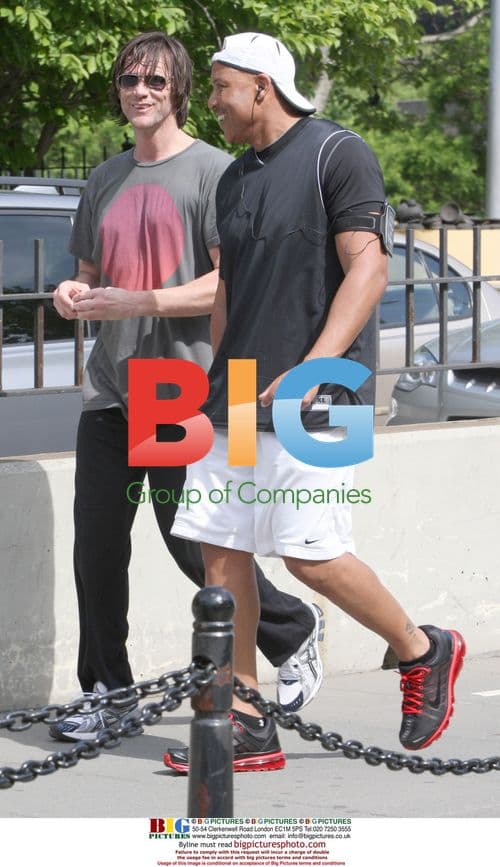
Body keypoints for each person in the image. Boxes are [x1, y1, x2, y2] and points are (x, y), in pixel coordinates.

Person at [165, 32, 466, 773]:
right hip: (234, 392)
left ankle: (423, 648)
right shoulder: (234, 180)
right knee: (221, 551)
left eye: (221, 87)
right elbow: (230, 292)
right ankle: (246, 719)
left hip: (321, 392)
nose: (211, 101)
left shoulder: (338, 152)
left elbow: (368, 264)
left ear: (262, 87)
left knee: (314, 557)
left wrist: (313, 364)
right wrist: (214, 382)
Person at [49, 31, 326, 743]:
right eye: (128, 80)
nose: (140, 91)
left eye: (156, 82)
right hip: (111, 387)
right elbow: (89, 269)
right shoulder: (104, 177)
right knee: (98, 549)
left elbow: (220, 284)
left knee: (193, 542)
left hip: (183, 385)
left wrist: (134, 301)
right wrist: (72, 292)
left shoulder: (216, 173)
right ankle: (106, 691)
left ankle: (290, 628)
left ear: (176, 92)